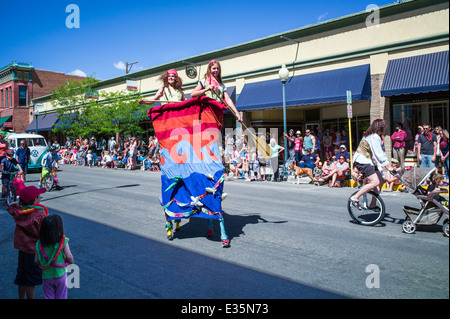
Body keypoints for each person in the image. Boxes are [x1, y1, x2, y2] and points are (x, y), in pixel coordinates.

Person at [7, 185, 48, 299]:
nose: (40, 198)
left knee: (22, 277)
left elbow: (10, 207)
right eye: (39, 197)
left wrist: (20, 204)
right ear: (35, 200)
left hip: (22, 249)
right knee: (31, 281)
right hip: (33, 251)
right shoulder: (40, 214)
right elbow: (44, 232)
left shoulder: (19, 212)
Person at [350, 119, 393, 209]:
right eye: (384, 128)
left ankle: (373, 203)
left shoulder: (373, 136)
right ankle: (355, 197)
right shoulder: (374, 136)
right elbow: (379, 154)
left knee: (381, 180)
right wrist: (388, 166)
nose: (385, 129)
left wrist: (387, 165)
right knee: (375, 182)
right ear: (380, 128)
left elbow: (380, 152)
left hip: (367, 161)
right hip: (362, 161)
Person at [35, 214, 74, 299]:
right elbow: (69, 256)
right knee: (61, 296)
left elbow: (37, 261)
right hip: (60, 274)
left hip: (47, 276)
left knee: (48, 296)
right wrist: (71, 263)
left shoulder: (39, 243)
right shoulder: (63, 241)